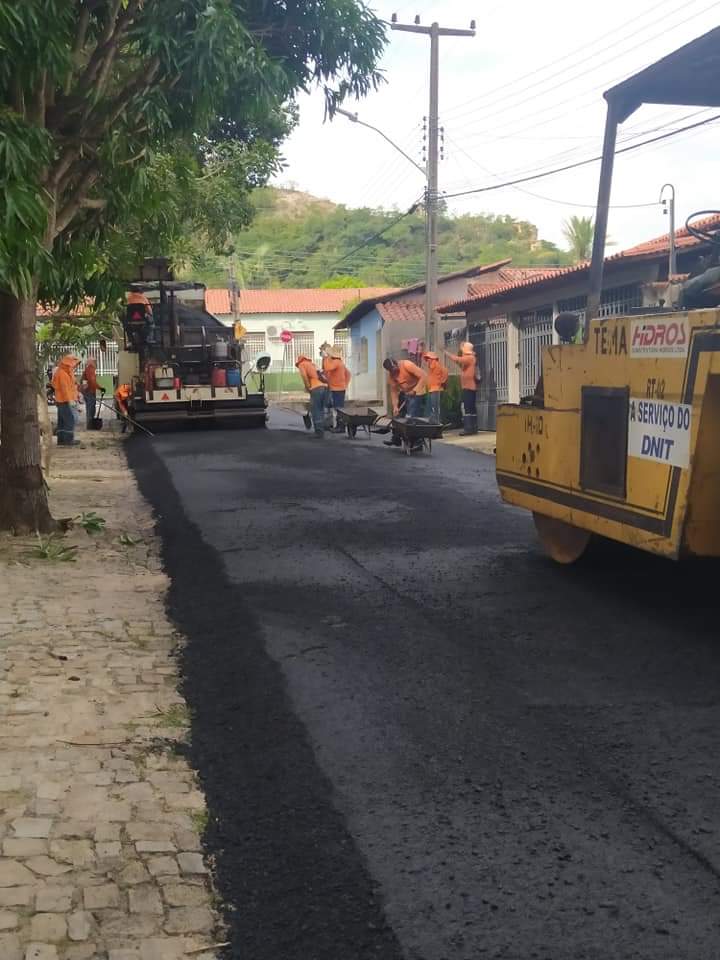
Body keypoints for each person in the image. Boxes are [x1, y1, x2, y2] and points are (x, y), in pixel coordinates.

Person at [382, 357, 428, 449]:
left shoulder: (407, 365)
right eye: (392, 371)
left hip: (418, 391)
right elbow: (394, 392)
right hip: (406, 393)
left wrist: (415, 390)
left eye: (395, 370)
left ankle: (417, 442)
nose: (394, 373)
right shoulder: (391, 376)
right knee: (398, 416)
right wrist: (395, 406)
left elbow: (424, 376)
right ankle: (396, 438)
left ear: (397, 364)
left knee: (411, 416)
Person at [445, 341, 480, 435]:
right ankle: (473, 428)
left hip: (469, 387)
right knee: (471, 408)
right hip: (469, 387)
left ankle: (469, 428)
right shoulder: (471, 358)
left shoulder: (469, 358)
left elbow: (457, 359)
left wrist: (447, 353)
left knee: (468, 408)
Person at [322, 345, 352, 432]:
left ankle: (341, 427)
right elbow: (348, 374)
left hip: (337, 389)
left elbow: (327, 367)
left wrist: (326, 358)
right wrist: (344, 384)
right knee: (337, 407)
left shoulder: (335, 362)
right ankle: (338, 426)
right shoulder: (340, 362)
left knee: (339, 408)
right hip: (337, 388)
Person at [52, 354, 80, 445]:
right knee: (70, 420)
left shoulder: (66, 372)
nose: (75, 366)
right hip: (64, 400)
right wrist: (70, 400)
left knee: (62, 421)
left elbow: (72, 386)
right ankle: (68, 440)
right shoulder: (62, 373)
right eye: (74, 364)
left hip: (63, 400)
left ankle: (61, 440)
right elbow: (65, 389)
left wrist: (77, 395)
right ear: (69, 363)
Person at [295, 354, 326, 437]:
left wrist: (308, 387)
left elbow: (304, 377)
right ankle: (322, 429)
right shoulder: (312, 364)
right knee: (321, 409)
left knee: (316, 410)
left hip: (316, 388)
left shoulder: (302, 364)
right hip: (324, 387)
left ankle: (319, 432)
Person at [422, 351, 448, 424]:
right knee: (432, 408)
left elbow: (445, 372)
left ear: (433, 358)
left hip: (436, 390)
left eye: (428, 358)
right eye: (426, 359)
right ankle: (434, 423)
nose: (427, 360)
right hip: (432, 390)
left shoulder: (436, 365)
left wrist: (442, 382)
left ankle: (438, 423)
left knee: (435, 408)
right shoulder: (431, 367)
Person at [80, 357, 103, 429]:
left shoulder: (87, 369)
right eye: (95, 361)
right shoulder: (90, 369)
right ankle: (90, 425)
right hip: (90, 392)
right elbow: (92, 381)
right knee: (91, 409)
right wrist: (100, 388)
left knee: (89, 408)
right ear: (91, 362)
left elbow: (83, 380)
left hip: (87, 391)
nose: (96, 363)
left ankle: (89, 425)